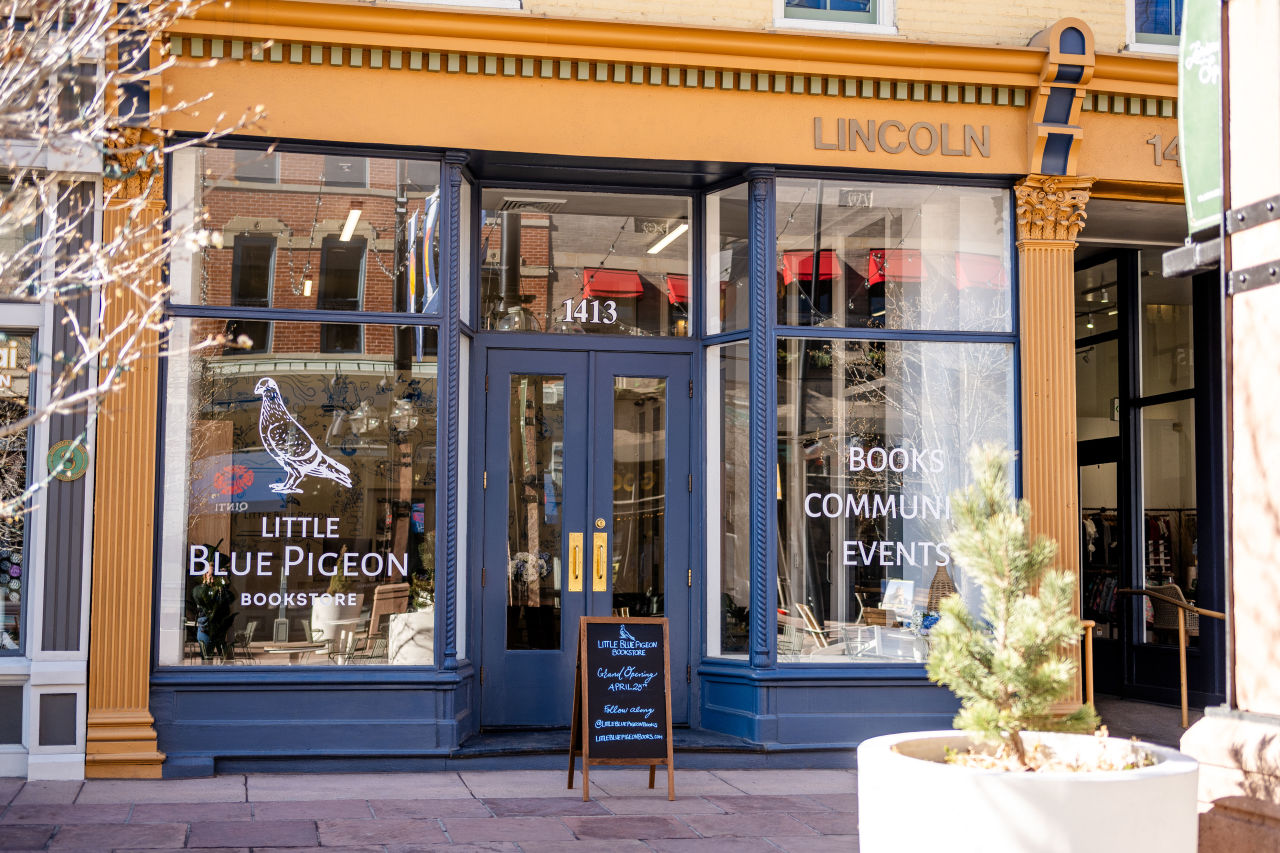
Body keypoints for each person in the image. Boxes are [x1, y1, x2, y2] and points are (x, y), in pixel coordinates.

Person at [192, 566, 237, 660]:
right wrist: (206, 585)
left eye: (215, 575)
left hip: (221, 628)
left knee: (226, 660)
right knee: (207, 659)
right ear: (205, 575)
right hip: (206, 627)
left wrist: (225, 582)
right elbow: (199, 598)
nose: (213, 579)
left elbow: (232, 598)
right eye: (211, 575)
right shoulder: (199, 589)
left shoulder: (222, 589)